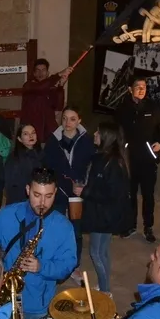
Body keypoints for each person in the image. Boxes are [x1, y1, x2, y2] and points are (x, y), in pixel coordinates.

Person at [0, 168, 76, 319]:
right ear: (28, 190)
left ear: (55, 192)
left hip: (37, 306)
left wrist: (41, 266)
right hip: (2, 300)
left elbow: (67, 265)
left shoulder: (64, 227)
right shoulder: (6, 215)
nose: (42, 203)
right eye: (37, 195)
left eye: (49, 196)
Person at [114, 76, 160, 243]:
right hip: (128, 160)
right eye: (137, 86)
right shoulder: (122, 109)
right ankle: (130, 226)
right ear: (129, 89)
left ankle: (148, 227)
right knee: (130, 194)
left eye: (144, 86)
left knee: (148, 195)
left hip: (148, 160)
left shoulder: (154, 108)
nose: (141, 89)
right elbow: (117, 131)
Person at [79, 122, 131, 295]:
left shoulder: (111, 163)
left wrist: (84, 191)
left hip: (103, 216)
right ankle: (104, 286)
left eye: (98, 133)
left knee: (96, 253)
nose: (94, 134)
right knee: (102, 252)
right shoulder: (106, 158)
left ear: (106, 137)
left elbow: (112, 194)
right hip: (105, 214)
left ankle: (105, 291)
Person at [44, 106, 96, 275]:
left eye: (72, 119)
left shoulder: (86, 140)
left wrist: (83, 185)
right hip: (58, 190)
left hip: (77, 194)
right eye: (64, 118)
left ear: (79, 121)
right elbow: (48, 166)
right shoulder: (53, 140)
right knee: (56, 227)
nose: (67, 123)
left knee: (76, 229)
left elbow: (91, 167)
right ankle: (54, 260)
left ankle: (75, 264)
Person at [21, 59, 69, 143]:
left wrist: (61, 86)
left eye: (43, 70)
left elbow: (58, 106)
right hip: (31, 132)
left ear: (47, 73)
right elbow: (40, 88)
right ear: (34, 73)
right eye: (38, 71)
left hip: (48, 133)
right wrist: (58, 74)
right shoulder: (28, 86)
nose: (40, 73)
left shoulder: (51, 88)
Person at [3, 124, 43, 205]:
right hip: (20, 202)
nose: (31, 136)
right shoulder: (13, 158)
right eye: (26, 134)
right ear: (19, 139)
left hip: (38, 200)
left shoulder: (41, 154)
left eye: (33, 133)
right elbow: (10, 185)